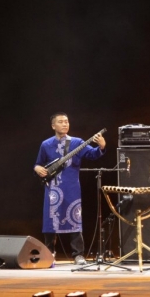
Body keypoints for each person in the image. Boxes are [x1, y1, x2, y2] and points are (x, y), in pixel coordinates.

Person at [33, 113, 106, 264]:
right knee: (50, 220)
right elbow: (38, 163)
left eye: (66, 121)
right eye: (61, 122)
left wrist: (101, 146)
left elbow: (93, 155)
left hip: (72, 188)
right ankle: (49, 254)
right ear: (53, 126)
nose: (65, 124)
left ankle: (78, 255)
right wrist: (37, 168)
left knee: (74, 218)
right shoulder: (46, 144)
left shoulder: (77, 142)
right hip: (52, 188)